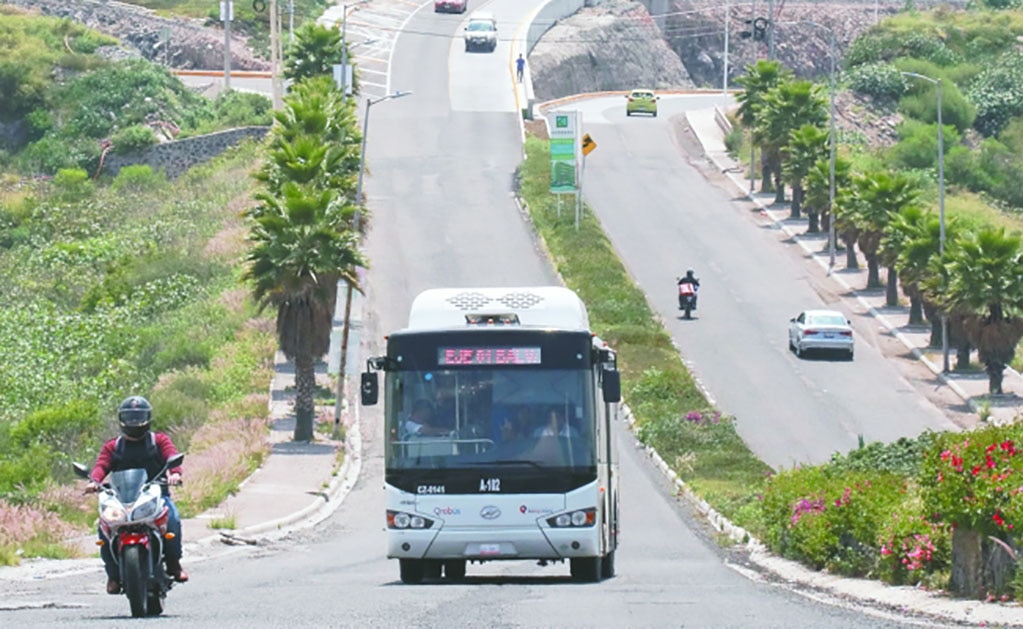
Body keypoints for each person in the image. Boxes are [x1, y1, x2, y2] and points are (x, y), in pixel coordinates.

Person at [85, 396, 188, 594]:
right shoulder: (113, 446)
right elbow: (101, 466)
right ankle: (113, 575)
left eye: (138, 417)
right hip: (122, 499)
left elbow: (171, 456)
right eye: (130, 417)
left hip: (155, 497)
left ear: (147, 418)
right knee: (104, 527)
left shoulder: (158, 440)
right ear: (122, 419)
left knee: (173, 519)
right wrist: (94, 481)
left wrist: (175, 474)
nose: (134, 422)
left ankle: (174, 564)